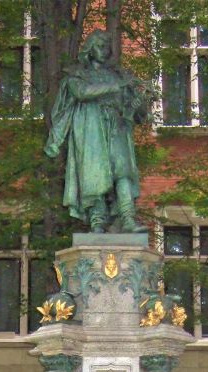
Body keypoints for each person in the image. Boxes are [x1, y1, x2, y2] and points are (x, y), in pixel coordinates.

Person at [44, 29, 152, 233]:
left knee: (123, 172)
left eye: (107, 46)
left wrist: (136, 104)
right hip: (91, 128)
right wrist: (115, 87)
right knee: (95, 176)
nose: (104, 50)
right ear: (90, 49)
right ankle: (97, 223)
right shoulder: (79, 74)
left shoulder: (117, 76)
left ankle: (128, 218)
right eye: (100, 46)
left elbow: (138, 112)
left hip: (117, 126)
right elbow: (82, 92)